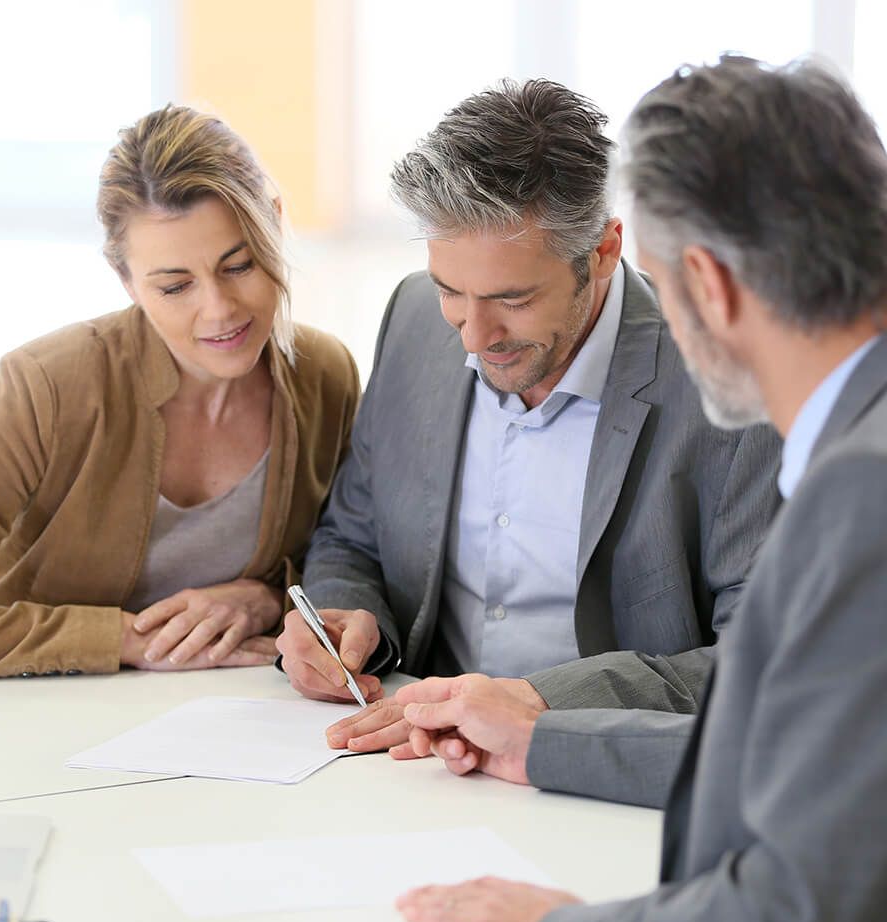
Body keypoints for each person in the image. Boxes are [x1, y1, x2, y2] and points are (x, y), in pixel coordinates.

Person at [394, 55, 887, 922]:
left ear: (710, 283)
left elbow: (807, 915)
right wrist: (545, 743)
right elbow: (811, 766)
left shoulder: (863, 493)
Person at [276, 80, 780, 758]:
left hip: (591, 770)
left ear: (603, 251)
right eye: (452, 289)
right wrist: (346, 621)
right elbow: (352, 535)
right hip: (406, 750)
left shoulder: (731, 385)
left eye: (512, 298)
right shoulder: (415, 318)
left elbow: (764, 656)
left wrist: (544, 706)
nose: (473, 335)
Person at [0, 105, 359, 680]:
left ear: (276, 225)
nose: (220, 309)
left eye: (240, 265)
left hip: (244, 722)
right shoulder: (45, 387)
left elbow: (353, 556)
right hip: (37, 723)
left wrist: (267, 597)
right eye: (175, 286)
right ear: (126, 280)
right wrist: (123, 639)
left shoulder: (324, 376)